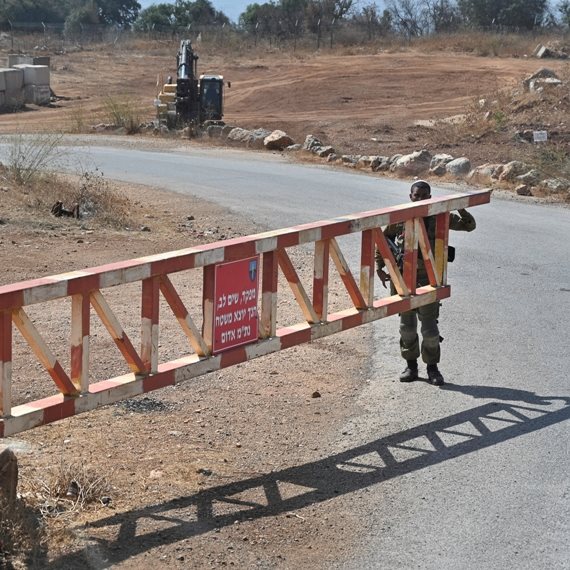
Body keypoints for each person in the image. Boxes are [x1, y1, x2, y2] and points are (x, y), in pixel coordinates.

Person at [376, 180, 476, 386]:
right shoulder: (400, 217)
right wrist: (379, 267)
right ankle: (410, 366)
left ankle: (432, 368)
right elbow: (384, 240)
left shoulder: (440, 216)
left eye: (424, 196)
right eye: (416, 195)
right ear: (410, 196)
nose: (420, 199)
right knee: (407, 327)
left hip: (428, 280)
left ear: (430, 198)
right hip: (403, 278)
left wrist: (460, 208)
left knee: (430, 330)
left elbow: (469, 226)